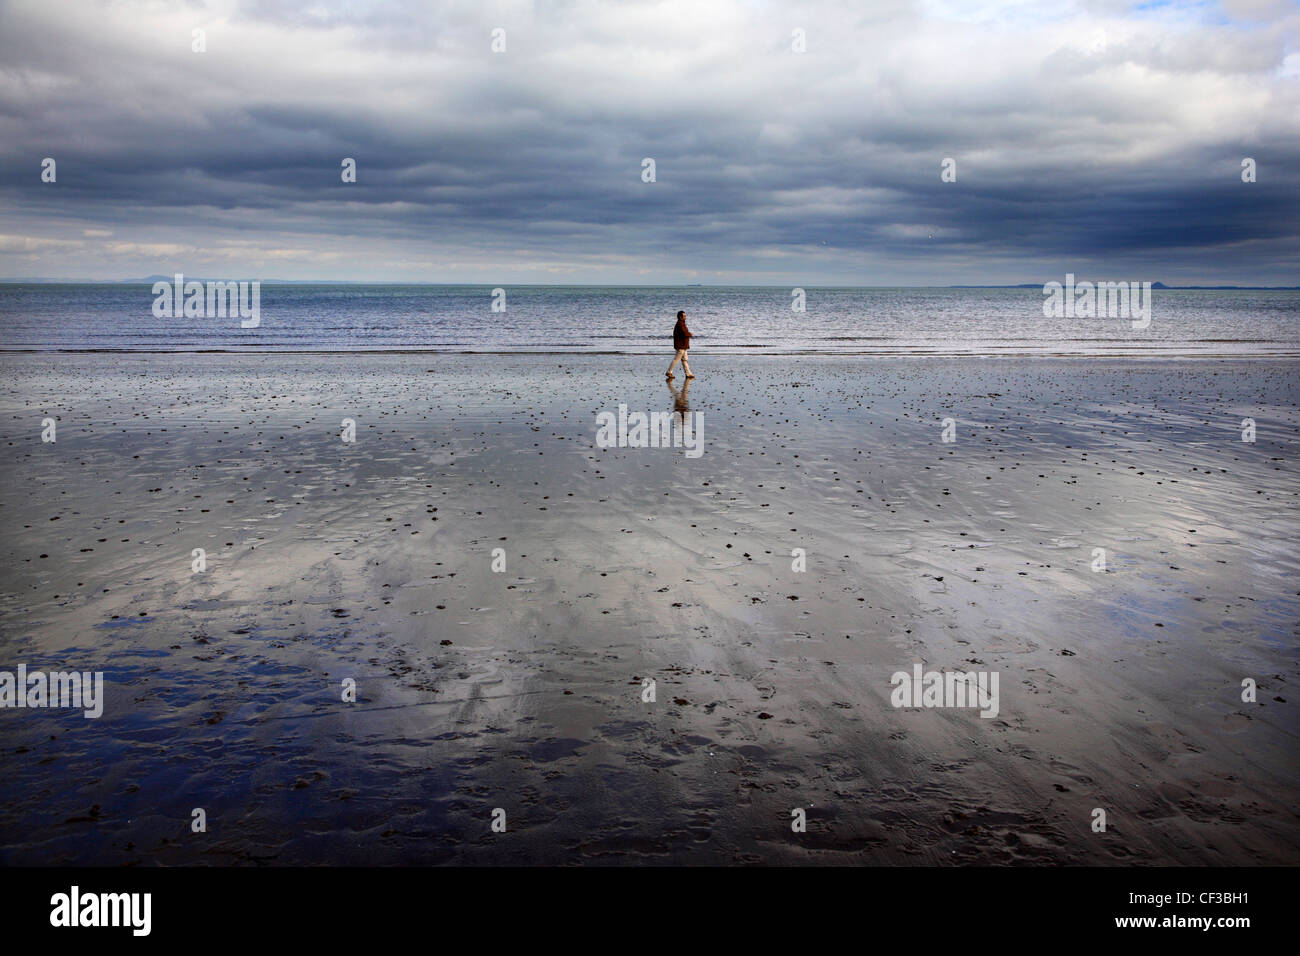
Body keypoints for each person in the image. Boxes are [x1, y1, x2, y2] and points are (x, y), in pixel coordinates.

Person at [666, 310, 695, 379]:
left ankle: (688, 373)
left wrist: (688, 334)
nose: (685, 317)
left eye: (685, 316)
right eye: (684, 316)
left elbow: (684, 333)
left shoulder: (681, 323)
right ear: (680, 317)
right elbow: (684, 333)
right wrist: (690, 334)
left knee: (685, 359)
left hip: (683, 345)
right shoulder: (680, 324)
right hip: (681, 345)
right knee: (677, 359)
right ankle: (669, 372)